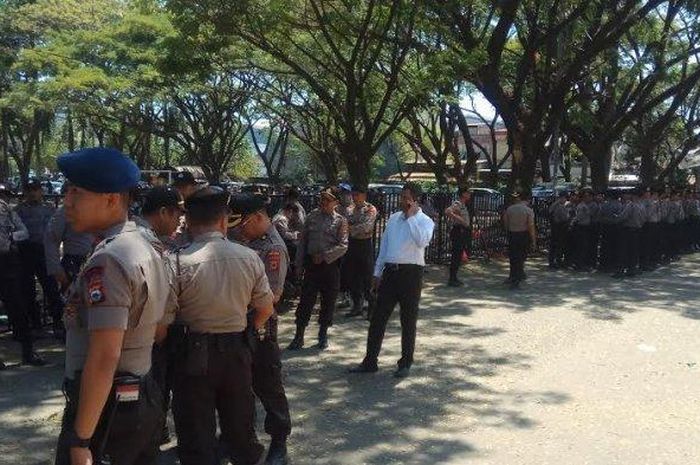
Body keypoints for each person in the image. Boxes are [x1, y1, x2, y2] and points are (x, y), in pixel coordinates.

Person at [54, 148, 171, 465]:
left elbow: (105, 356)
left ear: (111, 199)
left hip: (107, 411)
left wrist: (81, 440)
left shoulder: (109, 259)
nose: (67, 200)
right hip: (140, 394)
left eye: (76, 191)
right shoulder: (146, 244)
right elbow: (161, 327)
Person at [171, 186, 274, 465]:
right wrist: (245, 329)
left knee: (196, 434)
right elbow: (265, 309)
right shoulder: (248, 257)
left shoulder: (177, 261)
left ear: (189, 222)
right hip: (237, 351)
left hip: (192, 354)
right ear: (222, 220)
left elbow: (165, 318)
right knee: (240, 428)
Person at [229, 193, 292, 465]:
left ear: (256, 218)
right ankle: (240, 440)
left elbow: (273, 295)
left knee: (268, 384)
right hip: (237, 322)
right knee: (239, 385)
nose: (237, 229)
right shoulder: (244, 239)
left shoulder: (272, 247)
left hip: (260, 325)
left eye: (241, 223)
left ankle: (279, 442)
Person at [348, 182, 435, 379]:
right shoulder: (394, 219)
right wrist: (377, 273)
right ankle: (370, 361)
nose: (402, 201)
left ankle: (405, 362)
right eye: (401, 197)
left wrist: (412, 218)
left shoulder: (425, 221)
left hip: (411, 273)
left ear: (415, 199)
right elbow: (384, 247)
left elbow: (422, 241)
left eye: (406, 197)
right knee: (378, 318)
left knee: (408, 320)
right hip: (390, 272)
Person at [287, 187, 348, 351]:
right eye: (322, 199)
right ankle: (299, 336)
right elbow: (303, 242)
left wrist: (326, 255)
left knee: (328, 301)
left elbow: (343, 245)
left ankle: (323, 334)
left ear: (335, 202)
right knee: (306, 301)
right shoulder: (312, 216)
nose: (323, 202)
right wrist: (298, 264)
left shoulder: (340, 220)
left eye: (328, 200)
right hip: (312, 266)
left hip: (330, 266)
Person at [0, 183, 44, 366]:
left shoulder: (8, 211)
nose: (4, 198)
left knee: (18, 307)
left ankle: (28, 352)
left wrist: (11, 238)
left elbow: (23, 232)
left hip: (8, 262)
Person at [15, 178, 63, 334]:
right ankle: (35, 325)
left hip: (44, 251)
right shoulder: (18, 210)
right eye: (29, 190)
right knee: (28, 290)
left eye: (35, 189)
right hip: (25, 252)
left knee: (51, 289)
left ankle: (57, 323)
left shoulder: (49, 209)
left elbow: (56, 230)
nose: (32, 193)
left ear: (41, 191)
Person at [343, 184, 378, 318]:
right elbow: (345, 225)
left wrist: (352, 228)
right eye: (353, 195)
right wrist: (353, 228)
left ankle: (371, 307)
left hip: (365, 245)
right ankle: (357, 306)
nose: (354, 197)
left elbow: (367, 227)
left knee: (367, 277)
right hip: (352, 245)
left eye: (357, 195)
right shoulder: (349, 209)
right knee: (353, 277)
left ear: (364, 195)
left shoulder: (370, 209)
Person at [44, 206, 95, 293]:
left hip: (98, 259)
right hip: (74, 262)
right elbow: (51, 239)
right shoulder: (66, 210)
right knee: (72, 300)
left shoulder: (100, 207)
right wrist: (56, 269)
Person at [502, 192, 536, 289]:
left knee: (513, 257)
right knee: (520, 257)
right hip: (523, 234)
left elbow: (505, 222)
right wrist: (533, 239)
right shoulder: (528, 210)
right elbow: (530, 225)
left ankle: (512, 276)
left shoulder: (510, 209)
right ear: (528, 200)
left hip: (512, 233)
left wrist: (508, 231)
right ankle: (517, 280)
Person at [445, 187, 472, 286]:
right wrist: (460, 219)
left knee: (458, 255)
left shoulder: (463, 204)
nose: (470, 194)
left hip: (462, 231)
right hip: (458, 230)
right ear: (463, 194)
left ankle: (454, 277)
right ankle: (452, 279)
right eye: (468, 192)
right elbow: (448, 211)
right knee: (456, 255)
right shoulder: (458, 203)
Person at [548, 192, 570, 269]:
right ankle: (554, 261)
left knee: (558, 245)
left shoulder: (563, 205)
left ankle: (555, 260)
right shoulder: (558, 205)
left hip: (559, 226)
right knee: (557, 244)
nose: (564, 200)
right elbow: (564, 217)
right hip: (558, 226)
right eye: (563, 198)